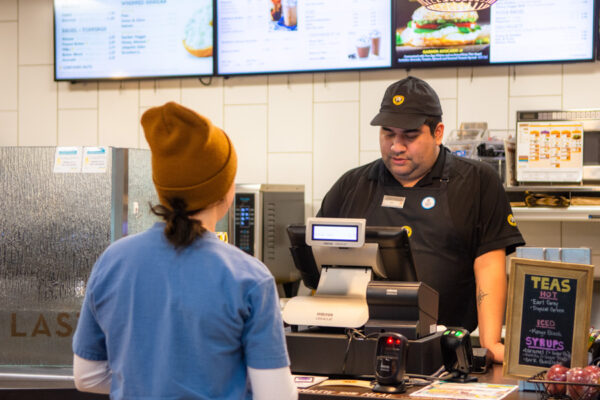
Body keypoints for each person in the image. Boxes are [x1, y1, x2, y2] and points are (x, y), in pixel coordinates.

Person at [72, 102, 298, 400]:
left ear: (162, 190)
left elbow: (87, 377)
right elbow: (275, 395)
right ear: (226, 190)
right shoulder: (250, 277)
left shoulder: (114, 261)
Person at [317, 76, 525, 363]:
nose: (396, 146)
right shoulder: (352, 185)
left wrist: (491, 343)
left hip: (446, 350)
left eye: (410, 136)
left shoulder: (477, 182)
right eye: (388, 134)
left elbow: (489, 263)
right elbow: (321, 264)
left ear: (437, 133)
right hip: (359, 346)